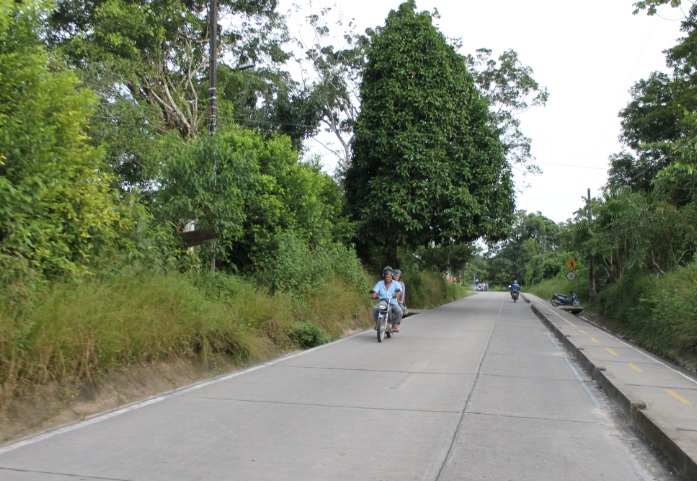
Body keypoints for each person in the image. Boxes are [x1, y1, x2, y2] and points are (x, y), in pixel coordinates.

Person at [371, 266, 403, 332]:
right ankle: (378, 323)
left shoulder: (396, 283)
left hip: (393, 303)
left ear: (392, 277)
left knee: (399, 311)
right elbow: (375, 291)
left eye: (389, 277)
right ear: (384, 277)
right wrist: (374, 295)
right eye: (386, 277)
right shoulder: (380, 283)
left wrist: (397, 294)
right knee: (375, 308)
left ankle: (395, 325)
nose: (388, 278)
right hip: (382, 303)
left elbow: (399, 291)